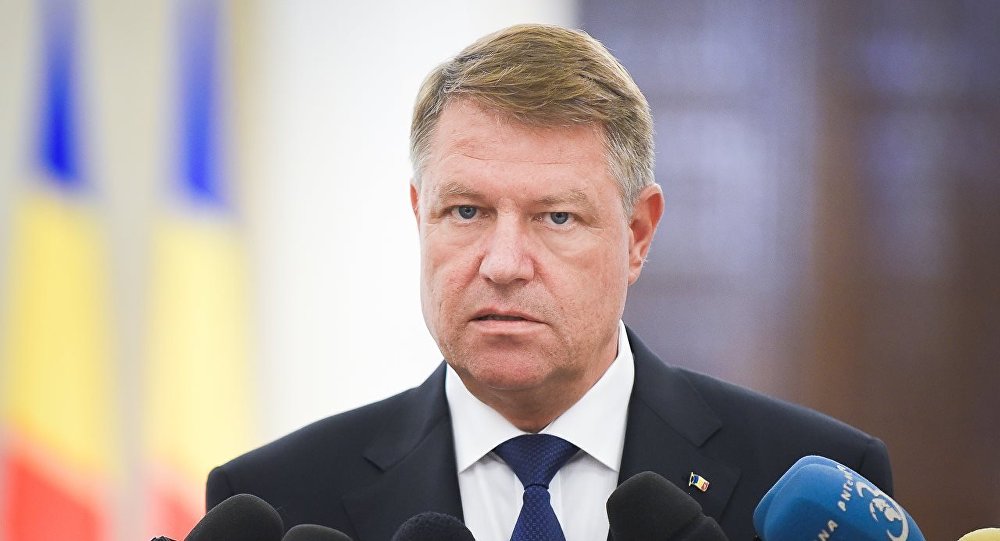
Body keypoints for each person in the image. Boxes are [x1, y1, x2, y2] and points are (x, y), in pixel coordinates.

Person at [206, 24, 892, 541]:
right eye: (466, 211)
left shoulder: (815, 485)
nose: (503, 263)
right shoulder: (275, 501)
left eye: (556, 216)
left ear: (637, 234)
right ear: (420, 215)